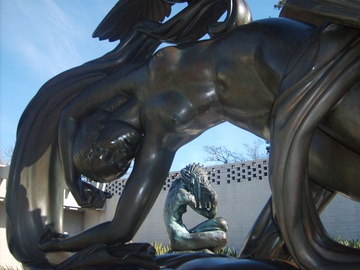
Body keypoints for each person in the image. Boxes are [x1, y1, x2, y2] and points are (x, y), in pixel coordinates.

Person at [163, 164, 228, 252]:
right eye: (200, 183)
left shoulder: (177, 184)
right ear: (193, 181)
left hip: (183, 232)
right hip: (178, 238)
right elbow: (210, 214)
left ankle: (201, 250)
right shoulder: (185, 196)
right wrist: (214, 197)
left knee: (222, 223)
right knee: (222, 238)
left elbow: (183, 174)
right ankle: (202, 252)